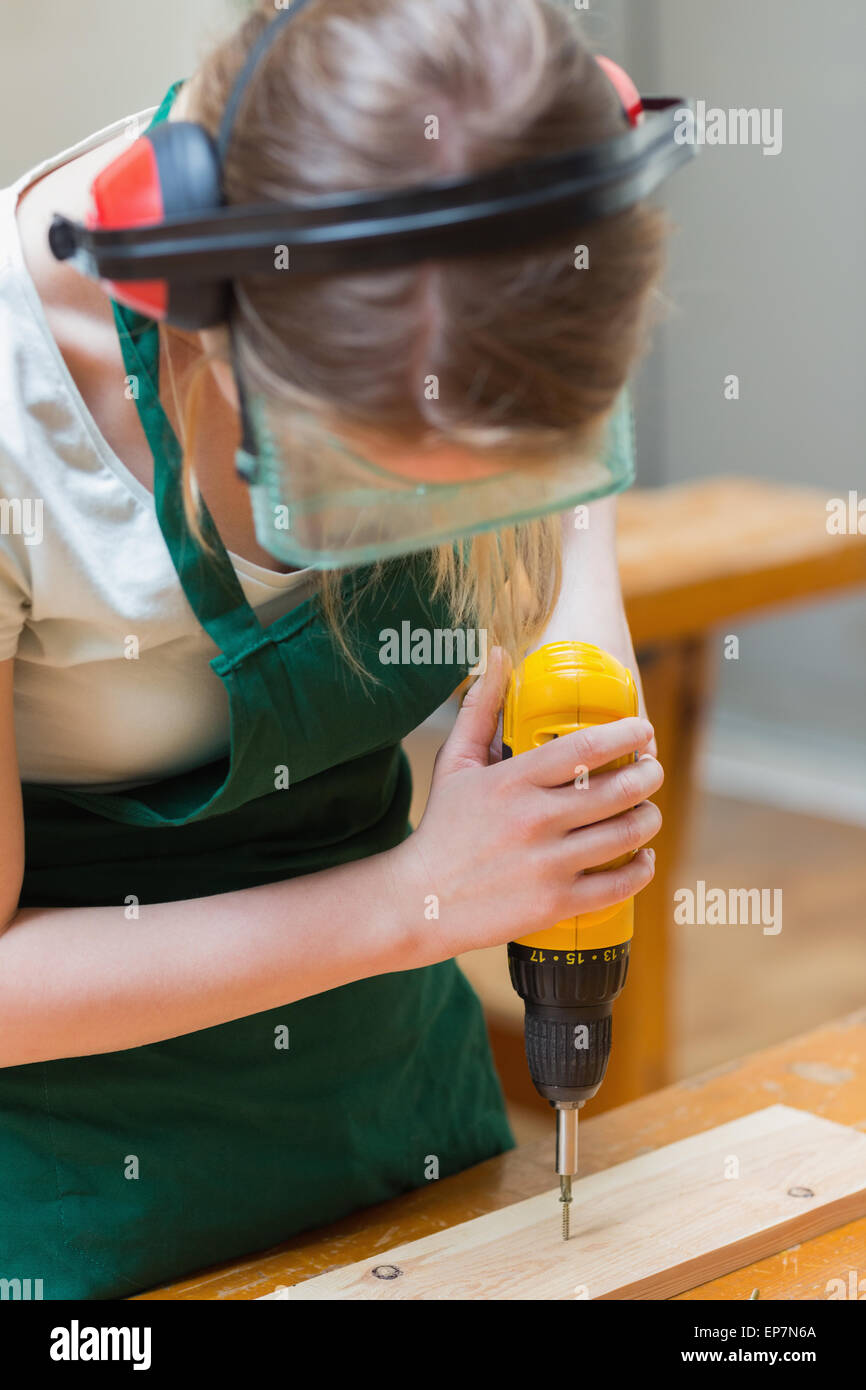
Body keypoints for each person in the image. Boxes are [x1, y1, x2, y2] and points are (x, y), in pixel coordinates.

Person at [0, 0, 666, 1298]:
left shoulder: (503, 250)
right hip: (68, 1184)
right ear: (195, 308)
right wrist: (421, 899)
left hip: (392, 1100)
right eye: (366, 481)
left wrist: (567, 613)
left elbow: (554, 491)